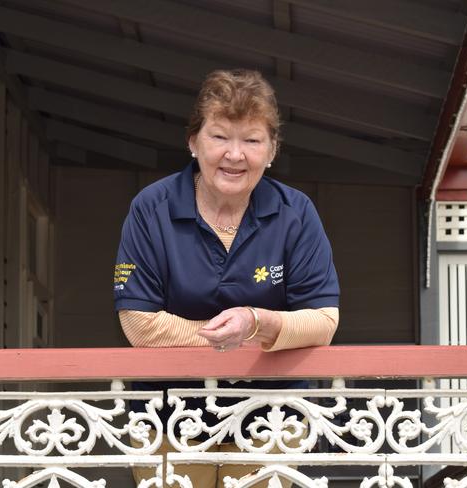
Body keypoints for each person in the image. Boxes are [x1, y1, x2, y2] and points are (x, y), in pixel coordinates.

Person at [114, 69, 340, 488]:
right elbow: (138, 322)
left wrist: (258, 322)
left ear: (271, 150)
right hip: (167, 419)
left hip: (272, 419)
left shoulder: (297, 213)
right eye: (219, 136)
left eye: (252, 140)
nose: (234, 155)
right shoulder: (152, 208)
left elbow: (323, 319)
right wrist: (231, 337)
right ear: (192, 142)